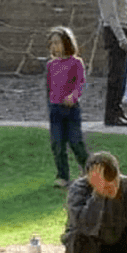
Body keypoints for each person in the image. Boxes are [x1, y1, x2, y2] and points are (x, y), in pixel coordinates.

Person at [45, 26, 88, 187]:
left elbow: (80, 83)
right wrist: (50, 104)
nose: (55, 46)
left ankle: (88, 170)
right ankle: (62, 176)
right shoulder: (50, 65)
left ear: (67, 43)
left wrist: (73, 96)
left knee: (76, 141)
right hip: (55, 110)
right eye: (52, 43)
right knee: (57, 144)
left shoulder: (76, 63)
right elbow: (48, 87)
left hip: (71, 110)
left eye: (58, 43)